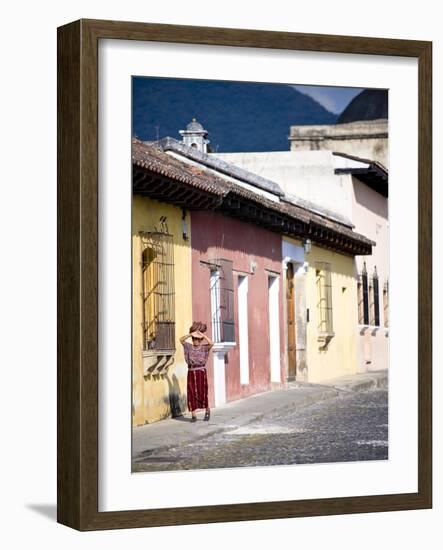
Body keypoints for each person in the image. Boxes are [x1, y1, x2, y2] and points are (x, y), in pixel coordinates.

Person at [180, 322, 214, 422]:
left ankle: (207, 410)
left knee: (202, 392)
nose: (196, 341)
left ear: (201, 340)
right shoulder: (188, 346)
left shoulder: (204, 348)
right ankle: (194, 415)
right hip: (191, 372)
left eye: (198, 339)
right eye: (194, 339)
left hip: (201, 372)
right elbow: (181, 340)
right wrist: (191, 334)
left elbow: (211, 343)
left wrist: (202, 335)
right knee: (191, 392)